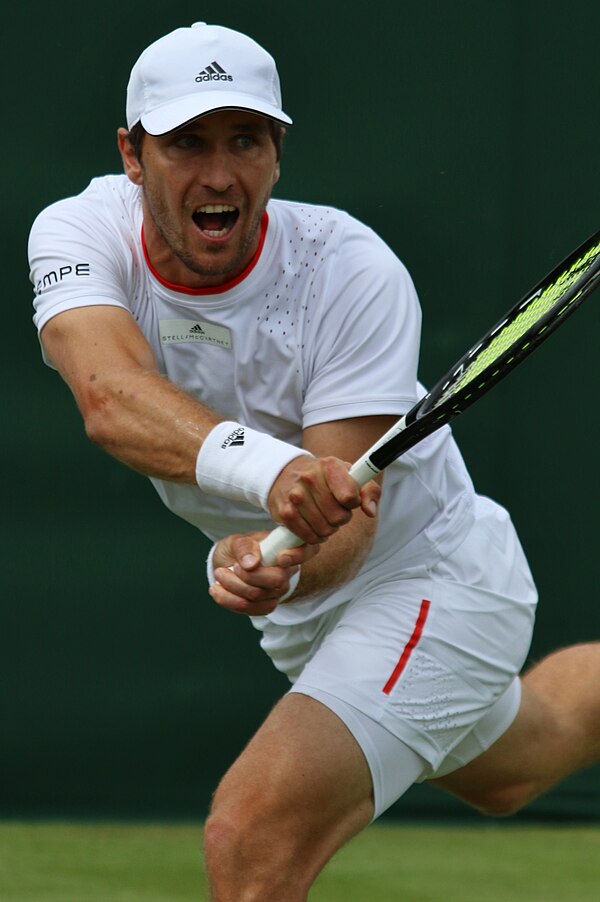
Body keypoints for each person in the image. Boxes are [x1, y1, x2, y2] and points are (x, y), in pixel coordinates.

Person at [29, 22, 600, 901]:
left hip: (435, 580)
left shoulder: (350, 270)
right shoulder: (76, 231)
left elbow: (349, 528)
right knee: (514, 766)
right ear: (131, 155)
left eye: (245, 141)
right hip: (309, 620)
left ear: (278, 155)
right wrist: (271, 503)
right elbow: (110, 398)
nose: (218, 174)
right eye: (186, 142)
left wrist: (280, 556)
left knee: (252, 836)